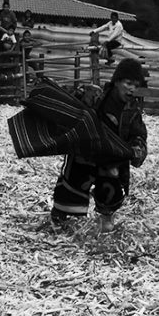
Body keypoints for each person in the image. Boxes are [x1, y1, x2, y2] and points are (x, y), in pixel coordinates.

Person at [50, 58, 149, 232]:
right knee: (71, 184)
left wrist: (136, 150)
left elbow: (138, 135)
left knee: (110, 190)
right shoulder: (95, 96)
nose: (132, 89)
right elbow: (72, 106)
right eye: (128, 83)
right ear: (117, 81)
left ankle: (106, 218)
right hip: (86, 152)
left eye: (136, 85)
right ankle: (58, 217)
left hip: (111, 159)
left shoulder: (132, 112)